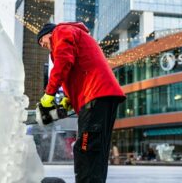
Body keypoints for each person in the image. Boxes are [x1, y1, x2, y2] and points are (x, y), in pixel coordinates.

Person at [37, 22, 126, 183]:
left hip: (95, 95)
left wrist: (49, 94)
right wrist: (68, 98)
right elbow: (79, 68)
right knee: (96, 150)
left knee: (85, 148)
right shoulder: (75, 35)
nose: (42, 45)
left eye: (42, 40)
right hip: (101, 95)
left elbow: (64, 61)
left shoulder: (61, 31)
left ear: (49, 32)